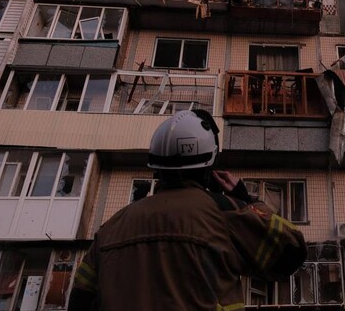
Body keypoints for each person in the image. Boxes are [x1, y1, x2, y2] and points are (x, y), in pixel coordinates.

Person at [68, 110, 307, 310]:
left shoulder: (110, 228)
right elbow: (291, 251)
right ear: (209, 166)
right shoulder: (224, 214)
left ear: (156, 167)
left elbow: (80, 301)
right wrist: (246, 200)